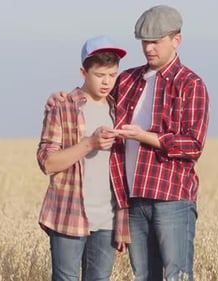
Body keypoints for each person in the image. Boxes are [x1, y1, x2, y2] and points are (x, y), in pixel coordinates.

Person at [46, 5, 209, 281]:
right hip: (133, 199)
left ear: (176, 40)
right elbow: (94, 88)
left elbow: (193, 144)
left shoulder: (190, 84)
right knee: (144, 275)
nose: (149, 48)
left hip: (171, 198)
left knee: (176, 275)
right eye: (145, 41)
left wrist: (144, 136)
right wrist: (60, 97)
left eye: (156, 41)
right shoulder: (129, 80)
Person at [36, 35, 130, 281]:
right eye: (100, 75)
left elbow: (123, 174)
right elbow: (47, 162)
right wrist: (90, 143)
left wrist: (123, 222)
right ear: (83, 72)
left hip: (108, 220)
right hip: (69, 214)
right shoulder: (63, 107)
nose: (107, 82)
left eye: (112, 74)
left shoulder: (119, 110)